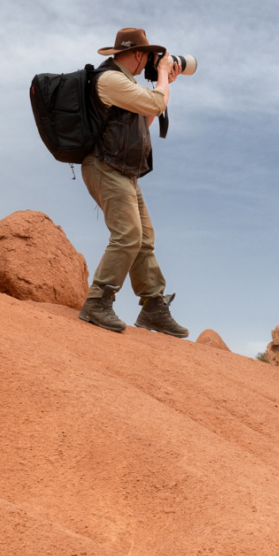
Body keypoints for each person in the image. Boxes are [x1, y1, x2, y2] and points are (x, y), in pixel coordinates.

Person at [76, 27, 189, 337]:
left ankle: (153, 306)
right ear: (138, 54)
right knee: (128, 234)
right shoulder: (110, 79)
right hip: (105, 167)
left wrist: (166, 84)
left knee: (144, 239)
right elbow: (155, 104)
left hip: (123, 170)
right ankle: (97, 301)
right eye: (150, 58)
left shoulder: (125, 84)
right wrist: (163, 77)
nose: (152, 64)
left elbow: (146, 119)